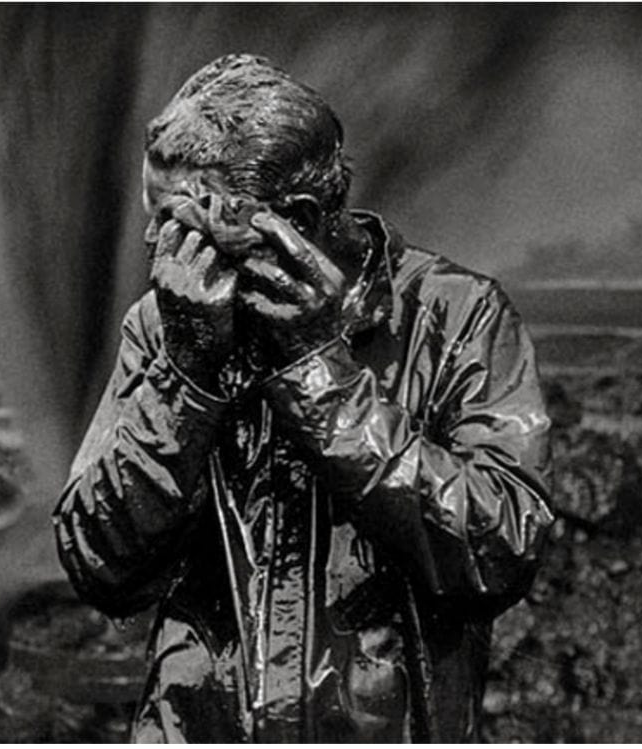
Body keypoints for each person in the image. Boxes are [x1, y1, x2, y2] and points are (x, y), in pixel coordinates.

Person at [53, 54, 553, 742]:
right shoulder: (163, 324)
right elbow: (97, 562)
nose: (152, 245)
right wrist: (186, 377)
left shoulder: (457, 317)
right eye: (152, 216)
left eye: (180, 221)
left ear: (299, 218)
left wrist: (322, 374)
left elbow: (499, 551)